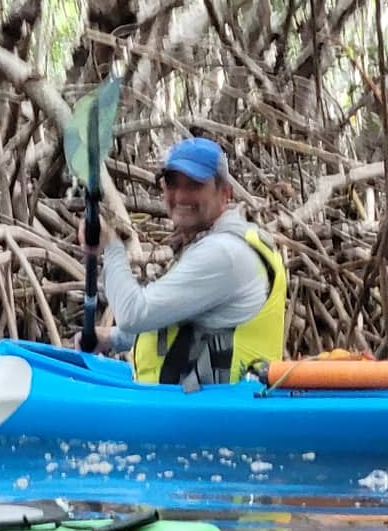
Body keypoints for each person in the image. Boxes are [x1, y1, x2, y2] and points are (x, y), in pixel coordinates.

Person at [85, 136, 287, 388]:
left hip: (216, 413)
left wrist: (111, 246)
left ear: (225, 193)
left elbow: (133, 314)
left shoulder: (223, 253)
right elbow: (178, 315)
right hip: (201, 404)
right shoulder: (222, 240)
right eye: (172, 183)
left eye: (194, 184)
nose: (180, 196)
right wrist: (112, 338)